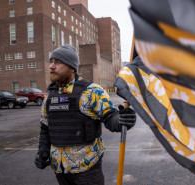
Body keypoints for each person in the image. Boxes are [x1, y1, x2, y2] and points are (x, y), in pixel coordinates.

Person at [34, 44, 136, 185]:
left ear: (72, 68)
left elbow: (110, 117)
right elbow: (45, 128)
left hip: (87, 171)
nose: (51, 66)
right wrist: (43, 151)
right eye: (51, 62)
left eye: (57, 62)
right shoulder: (50, 96)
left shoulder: (91, 91)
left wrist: (122, 120)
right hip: (60, 170)